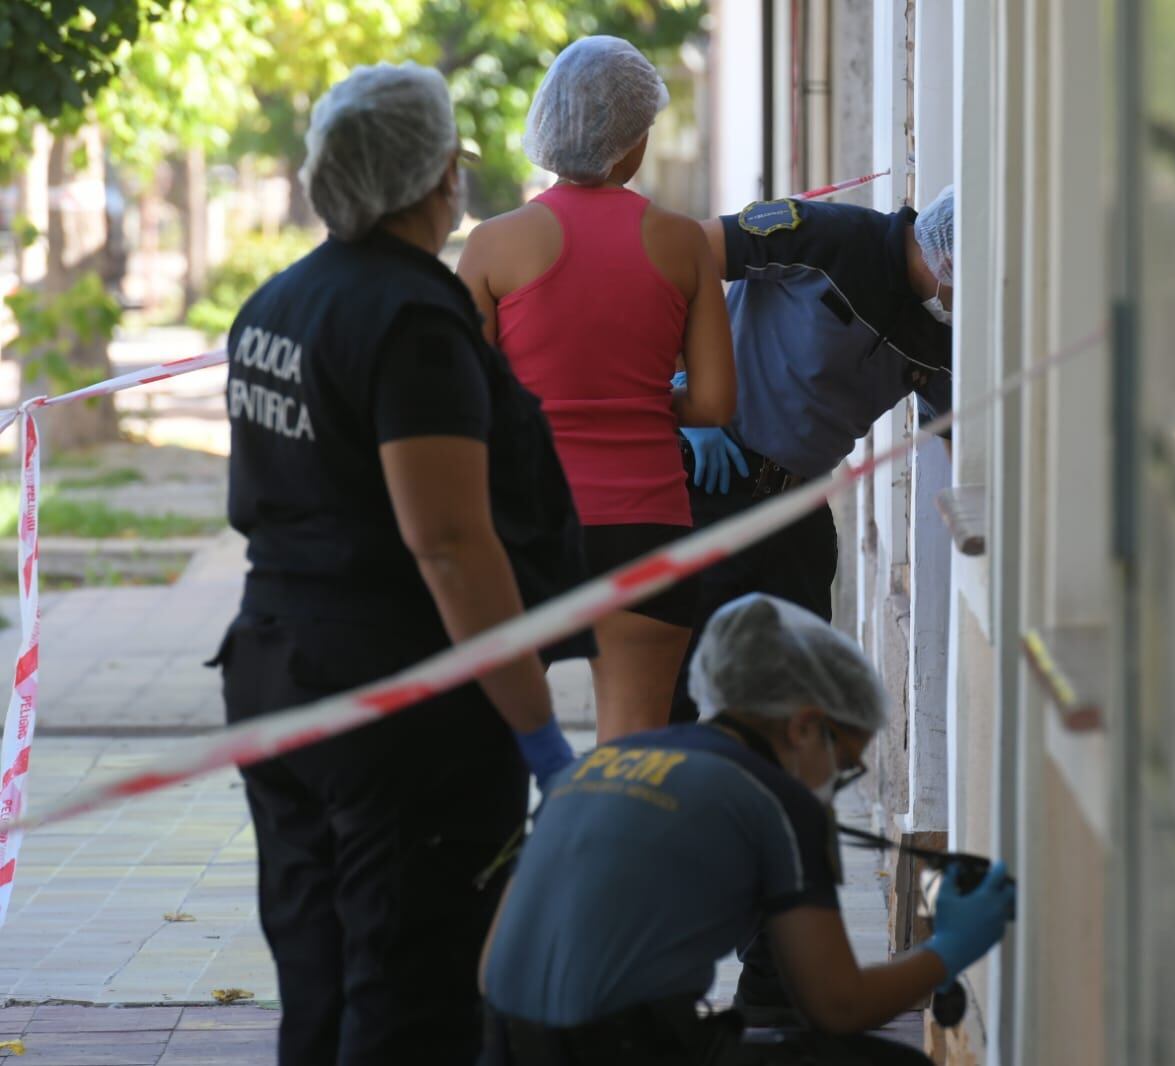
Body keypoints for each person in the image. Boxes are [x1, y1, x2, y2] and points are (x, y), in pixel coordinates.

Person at [214, 63, 594, 1066]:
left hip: (279, 676)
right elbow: (449, 544)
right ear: (438, 178)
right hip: (395, 703)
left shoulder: (276, 305)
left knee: (321, 974)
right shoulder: (413, 322)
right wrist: (537, 730)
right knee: (410, 994)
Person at [478, 593, 1014, 1066]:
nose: (836, 783)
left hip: (496, 1041)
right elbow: (839, 1005)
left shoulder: (601, 762)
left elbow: (493, 958)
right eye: (845, 763)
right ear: (805, 726)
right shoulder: (774, 801)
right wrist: (950, 948)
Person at [458, 36, 736, 743]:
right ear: (633, 141)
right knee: (636, 748)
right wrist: (641, 402)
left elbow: (466, 401)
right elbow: (712, 405)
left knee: (498, 744)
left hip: (525, 525)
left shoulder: (492, 245)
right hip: (646, 523)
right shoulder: (683, 243)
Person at [671, 184, 955, 727]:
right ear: (949, 261)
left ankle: (773, 808)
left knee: (794, 696)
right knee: (678, 684)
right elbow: (684, 257)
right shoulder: (829, 236)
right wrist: (682, 381)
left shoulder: (943, 334)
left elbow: (956, 437)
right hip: (709, 483)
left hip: (795, 507)